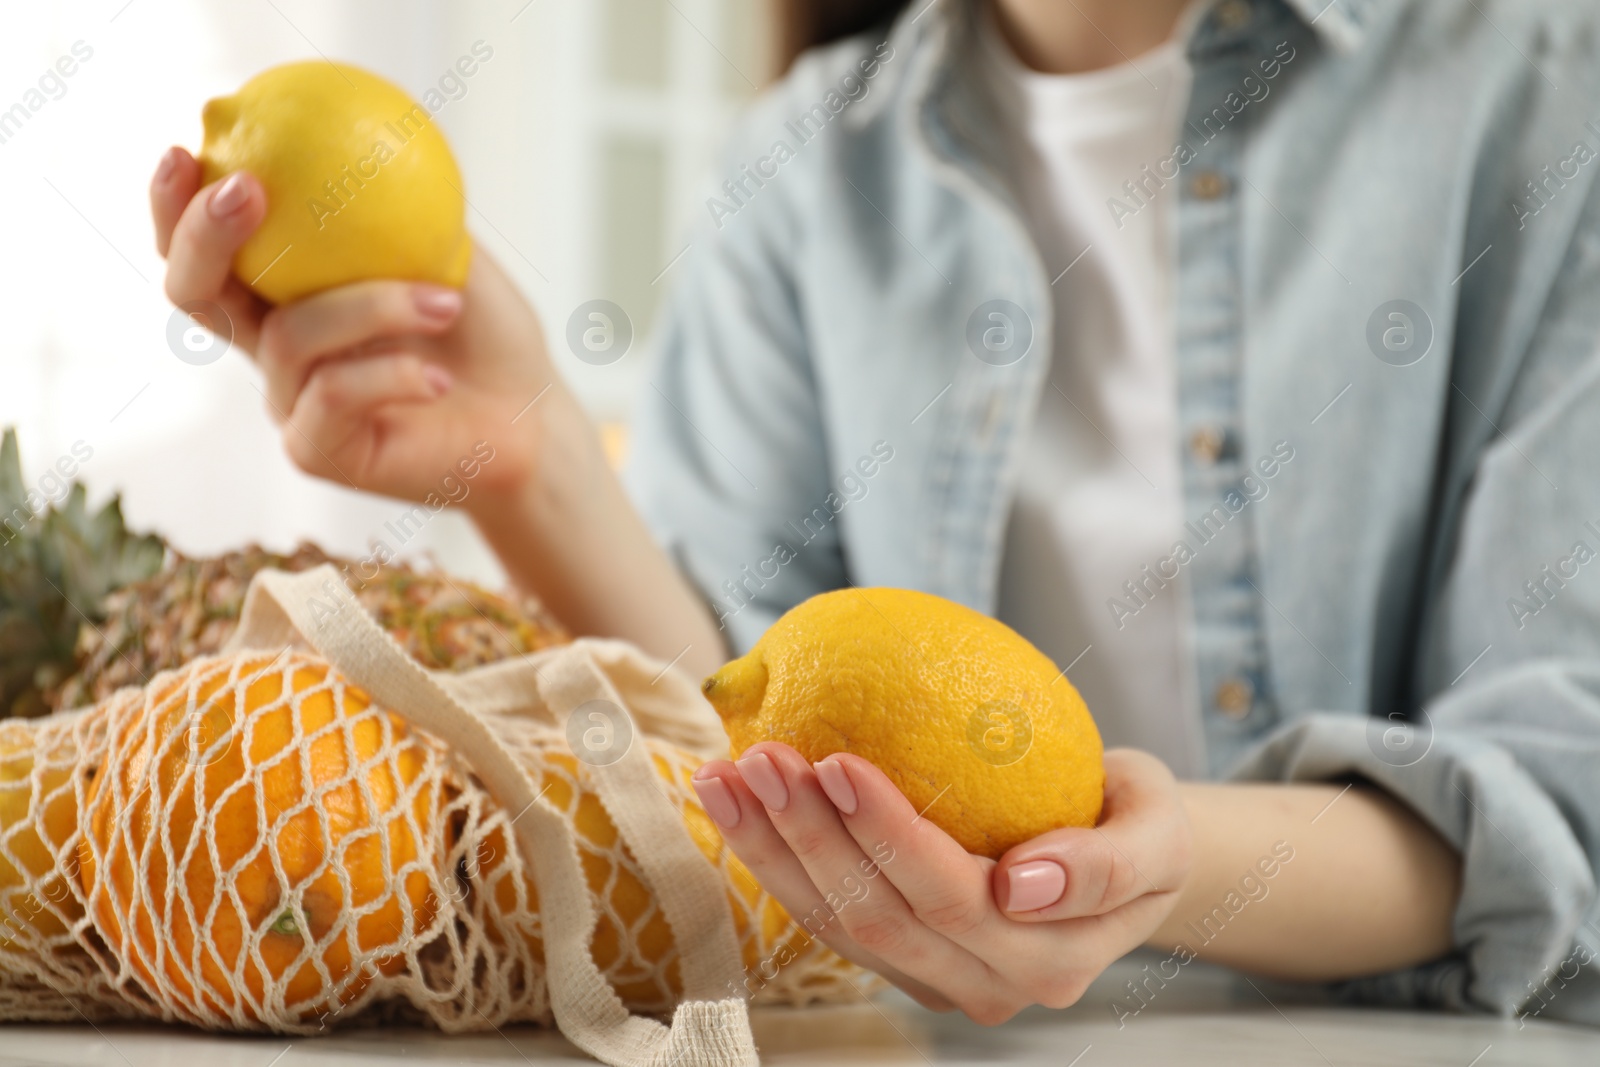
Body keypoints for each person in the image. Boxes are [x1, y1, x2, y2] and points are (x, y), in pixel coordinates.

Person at [150, 0, 1600, 1028]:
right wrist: (526, 461)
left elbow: (1560, 784)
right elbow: (741, 710)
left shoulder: (1548, 104)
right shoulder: (806, 170)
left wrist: (1152, 877)